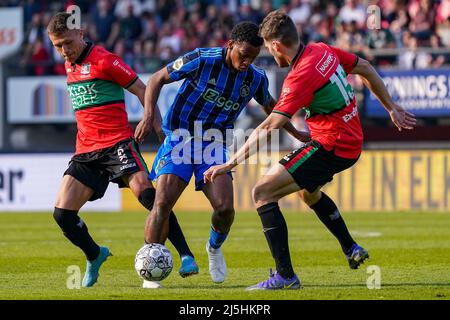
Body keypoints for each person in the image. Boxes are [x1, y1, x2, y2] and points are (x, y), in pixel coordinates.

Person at [204, 10, 416, 290]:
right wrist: (391, 107)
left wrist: (229, 164)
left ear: (276, 45)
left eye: (268, 48)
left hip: (332, 144)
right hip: (350, 140)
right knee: (309, 193)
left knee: (262, 192)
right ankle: (351, 247)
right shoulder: (322, 50)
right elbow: (364, 66)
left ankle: (285, 276)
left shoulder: (301, 75)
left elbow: (269, 126)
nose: (270, 54)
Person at [135, 21, 310, 284]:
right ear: (230, 45)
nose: (246, 62)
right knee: (162, 204)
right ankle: (150, 271)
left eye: (252, 57)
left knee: (226, 209)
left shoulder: (255, 78)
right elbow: (157, 78)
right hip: (180, 138)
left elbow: (272, 108)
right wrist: (149, 115)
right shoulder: (202, 60)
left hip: (214, 144)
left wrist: (296, 134)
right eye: (243, 55)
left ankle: (214, 248)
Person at [47, 12, 198, 288]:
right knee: (62, 215)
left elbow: (143, 89)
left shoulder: (106, 61)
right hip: (86, 150)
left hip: (117, 143)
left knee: (150, 196)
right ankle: (95, 255)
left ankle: (185, 253)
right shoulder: (69, 64)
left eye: (68, 43)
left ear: (80, 33)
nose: (64, 51)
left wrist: (153, 122)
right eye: (57, 46)